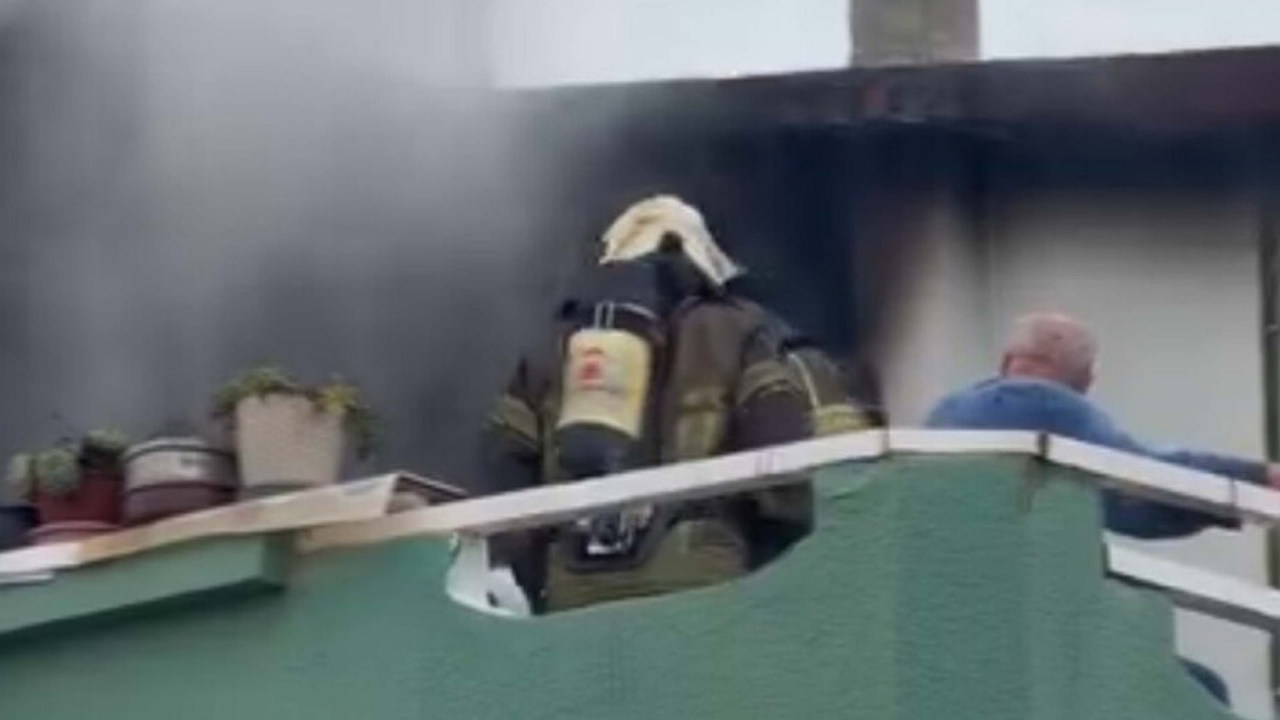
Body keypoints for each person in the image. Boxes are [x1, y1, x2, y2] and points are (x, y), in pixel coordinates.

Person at [482, 195, 869, 613]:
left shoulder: (553, 346)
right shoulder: (739, 328)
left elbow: (502, 474)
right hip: (701, 583)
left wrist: (533, 576)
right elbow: (787, 475)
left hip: (571, 591)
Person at [926, 312, 1279, 706]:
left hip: (952, 620)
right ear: (1086, 381)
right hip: (1022, 626)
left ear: (1007, 360)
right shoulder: (1050, 405)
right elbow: (1141, 489)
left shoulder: (945, 414)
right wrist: (1257, 478)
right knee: (1203, 691)